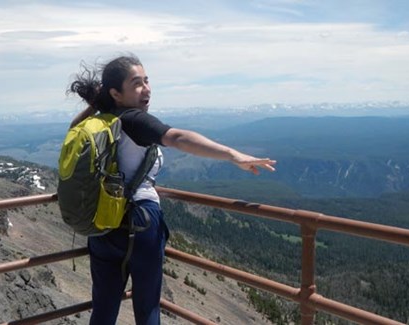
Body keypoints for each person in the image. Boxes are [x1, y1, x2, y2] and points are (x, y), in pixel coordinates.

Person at [67, 53, 276, 325]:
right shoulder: (134, 120)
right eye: (137, 83)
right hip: (141, 223)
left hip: (102, 225)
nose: (147, 88)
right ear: (116, 93)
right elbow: (176, 137)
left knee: (104, 310)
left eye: (146, 80)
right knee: (148, 310)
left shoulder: (94, 122)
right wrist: (232, 155)